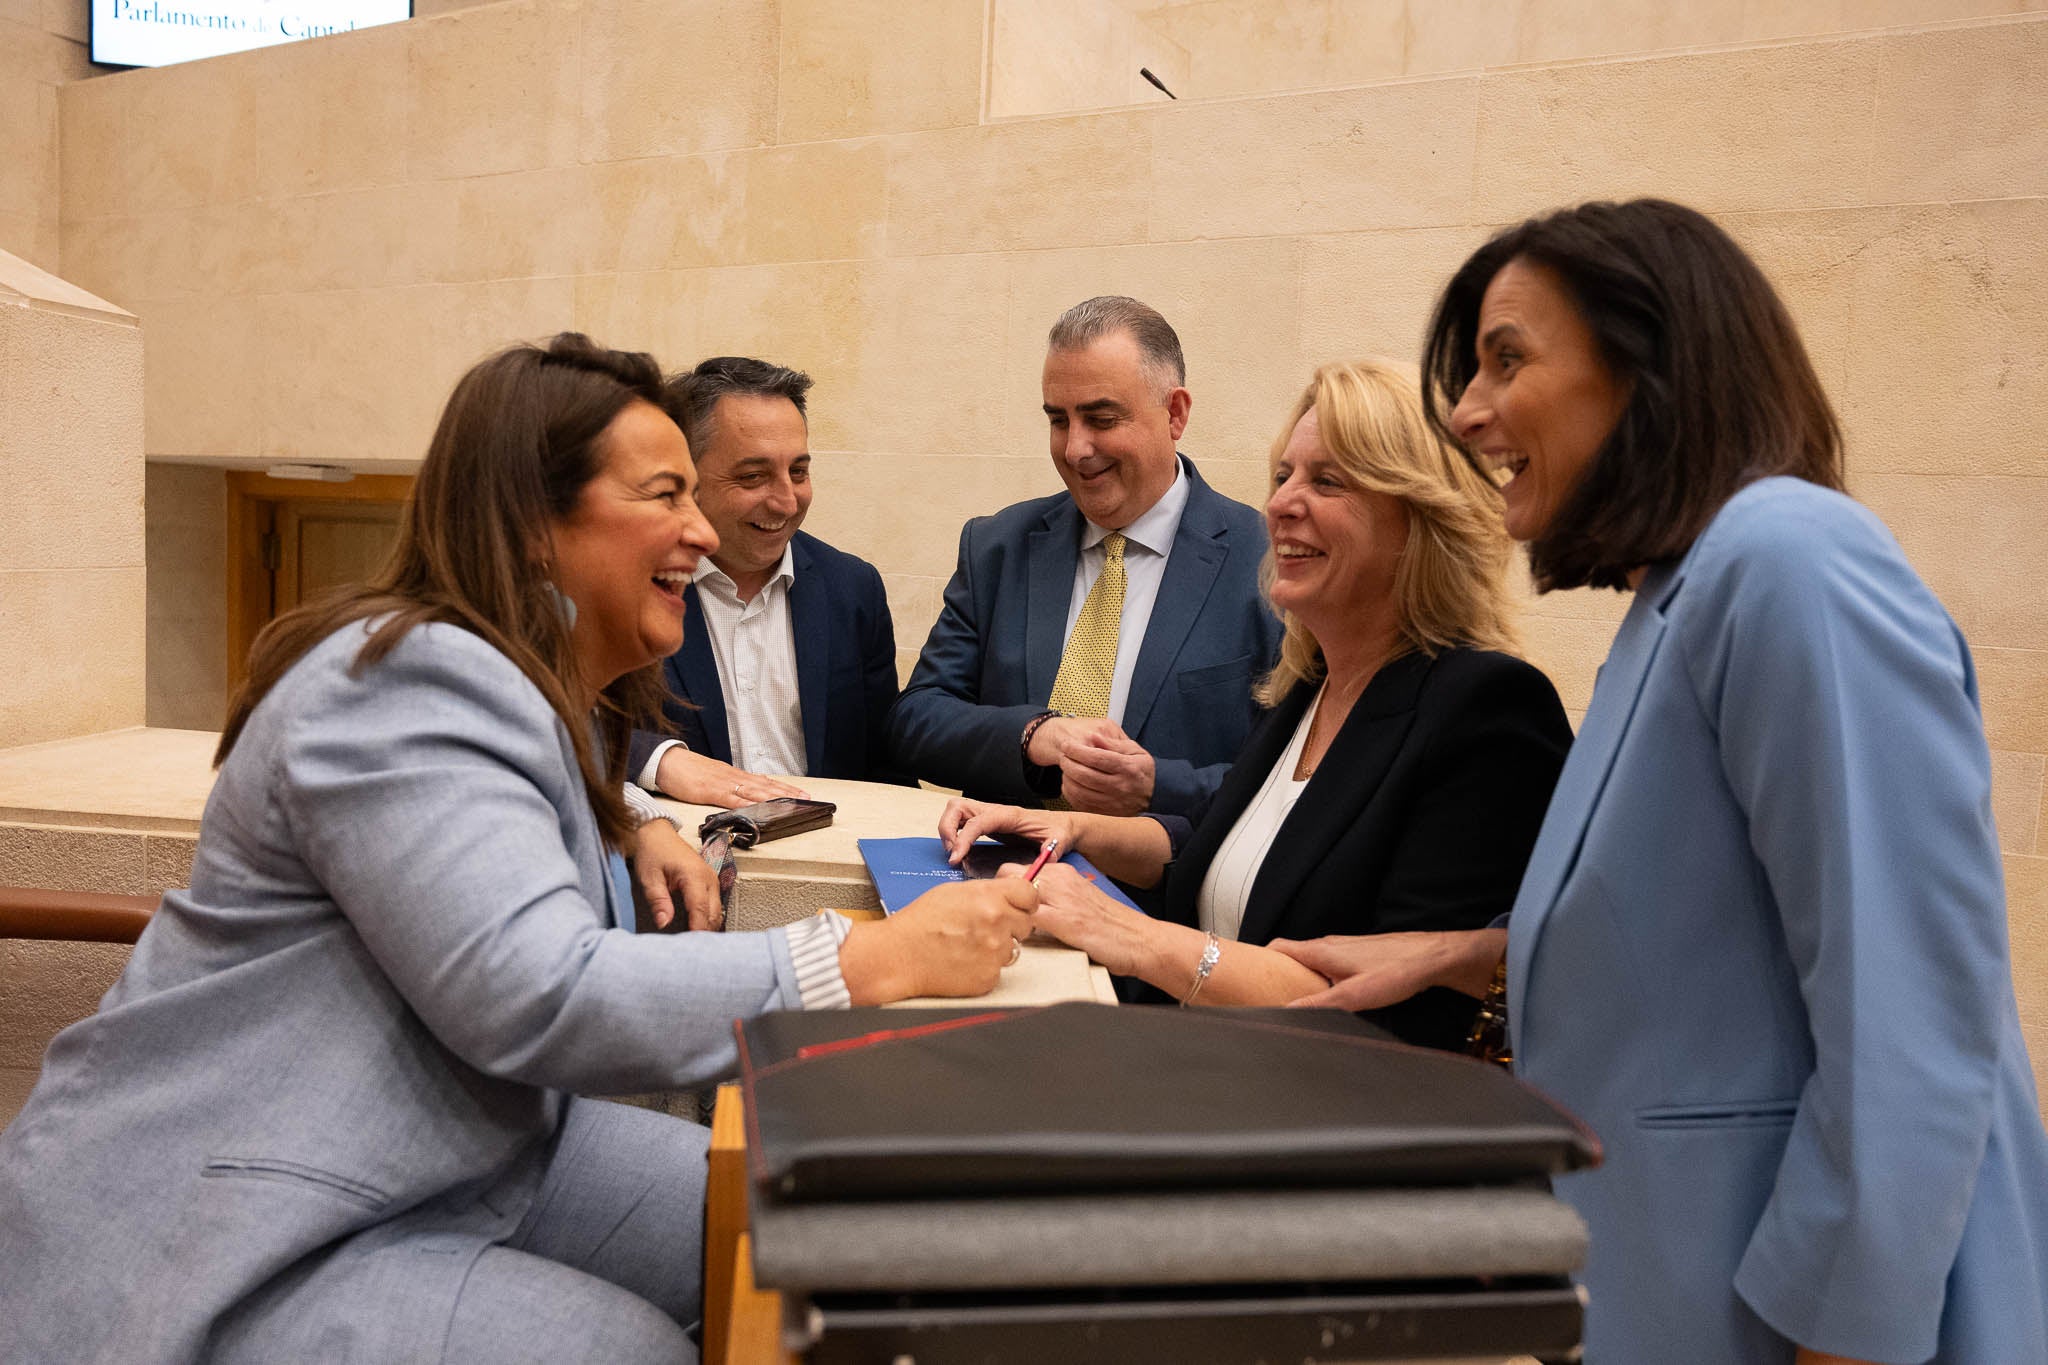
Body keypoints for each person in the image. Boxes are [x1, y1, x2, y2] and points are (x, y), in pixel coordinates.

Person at [0, 334, 1036, 1363]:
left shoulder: (527, 687)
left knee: (802, 1246)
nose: (703, 534)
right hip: (254, 1201)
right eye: (666, 495)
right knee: (627, 1351)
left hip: (468, 1143)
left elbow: (495, 812)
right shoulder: (403, 687)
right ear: (534, 526)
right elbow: (535, 990)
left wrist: (633, 824)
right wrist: (868, 959)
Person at [1281, 199, 2048, 1363]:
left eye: (1504, 359)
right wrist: (1470, 951)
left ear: (1646, 368)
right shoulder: (1675, 596)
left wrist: (1837, 1342)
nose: (1465, 411)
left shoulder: (1788, 559)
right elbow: (1712, 932)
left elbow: (1907, 1022)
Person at [936, 359, 1569, 1050]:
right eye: (1282, 477)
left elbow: (1397, 1014)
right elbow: (1221, 854)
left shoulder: (1488, 711)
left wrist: (1137, 937)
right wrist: (1073, 830)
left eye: (1326, 480)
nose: (1281, 505)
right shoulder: (1310, 688)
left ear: (1419, 518)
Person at [889, 295, 1282, 818]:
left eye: (1101, 418)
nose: (1075, 448)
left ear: (1176, 413)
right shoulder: (996, 548)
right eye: (1059, 420)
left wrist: (1156, 786)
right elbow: (917, 721)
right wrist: (1033, 734)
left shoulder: (1268, 561)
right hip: (1003, 886)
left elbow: (1298, 781)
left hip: (1162, 894)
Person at [626, 355, 904, 808]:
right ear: (685, 477)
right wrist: (659, 760)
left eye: (798, 471)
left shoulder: (853, 589)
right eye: (753, 476)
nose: (786, 501)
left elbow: (885, 769)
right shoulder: (630, 583)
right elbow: (564, 729)